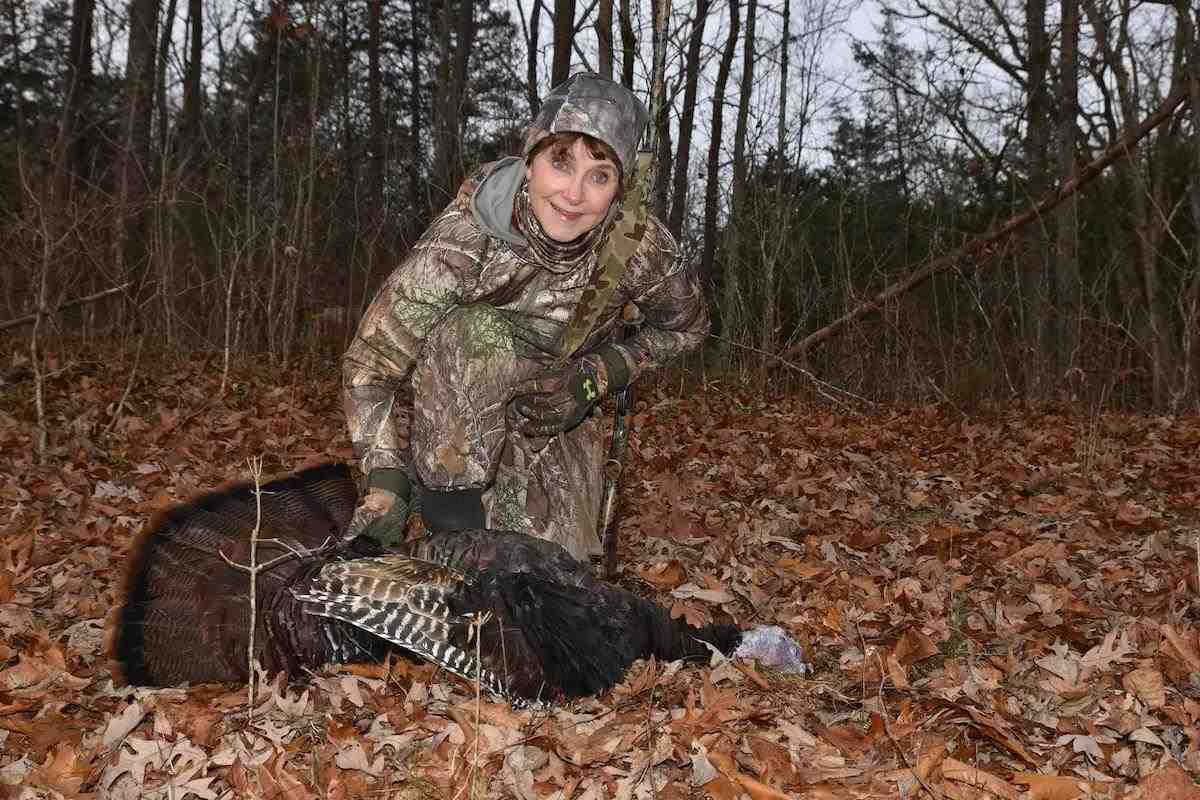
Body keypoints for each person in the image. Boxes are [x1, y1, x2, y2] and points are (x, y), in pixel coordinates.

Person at [341, 73, 708, 562]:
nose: (574, 194)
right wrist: (384, 479)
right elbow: (373, 361)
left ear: (619, 191)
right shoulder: (464, 240)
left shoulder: (637, 248)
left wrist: (597, 376)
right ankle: (451, 531)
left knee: (556, 589)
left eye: (599, 176)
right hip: (459, 414)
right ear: (531, 157)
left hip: (553, 419)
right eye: (561, 162)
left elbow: (687, 327)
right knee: (471, 335)